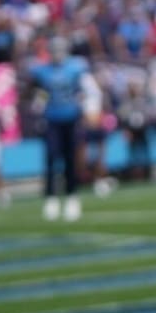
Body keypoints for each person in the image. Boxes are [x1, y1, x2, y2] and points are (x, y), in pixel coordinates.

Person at [29, 35, 101, 222]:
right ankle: (51, 198)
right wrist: (38, 109)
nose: (57, 54)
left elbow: (89, 90)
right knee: (51, 158)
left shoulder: (76, 67)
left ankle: (72, 197)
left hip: (71, 118)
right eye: (54, 50)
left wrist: (88, 110)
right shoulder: (42, 70)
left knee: (71, 160)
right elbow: (41, 93)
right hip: (52, 119)